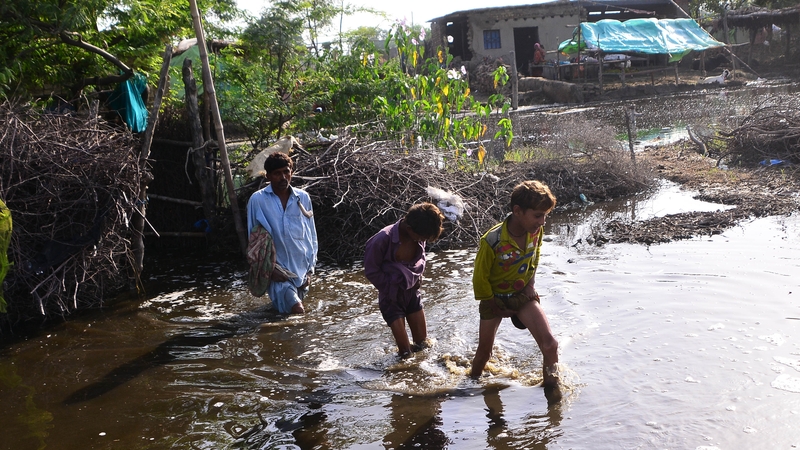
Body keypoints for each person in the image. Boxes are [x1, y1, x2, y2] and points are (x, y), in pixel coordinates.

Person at [470, 180, 560, 392]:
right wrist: (493, 304)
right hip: (493, 298)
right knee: (484, 353)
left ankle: (552, 390)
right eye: (538, 215)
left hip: (521, 293)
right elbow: (479, 278)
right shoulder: (492, 240)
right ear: (517, 211)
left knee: (550, 345)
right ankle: (470, 387)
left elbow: (535, 257)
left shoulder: (536, 231)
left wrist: (530, 285)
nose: (543, 221)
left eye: (546, 215)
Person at [364, 203, 445, 357]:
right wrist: (392, 288)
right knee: (405, 353)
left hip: (413, 293)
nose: (422, 240)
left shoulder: (420, 235)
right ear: (409, 228)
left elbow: (421, 259)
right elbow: (371, 271)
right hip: (391, 298)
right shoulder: (382, 239)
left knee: (423, 345)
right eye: (421, 237)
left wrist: (418, 277)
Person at [246, 152, 318, 315]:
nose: (283, 177)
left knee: (287, 316)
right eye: (277, 173)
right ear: (269, 176)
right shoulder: (257, 200)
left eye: (286, 172)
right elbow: (254, 241)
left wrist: (310, 270)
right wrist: (270, 271)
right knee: (298, 310)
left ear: (291, 172)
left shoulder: (303, 198)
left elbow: (311, 236)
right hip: (278, 271)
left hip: (301, 273)